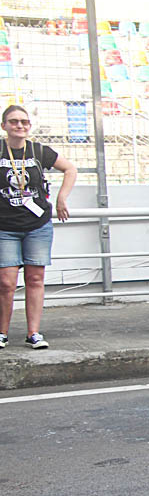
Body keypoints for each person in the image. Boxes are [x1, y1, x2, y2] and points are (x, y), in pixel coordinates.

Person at [0, 105, 76, 350]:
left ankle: (33, 332)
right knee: (6, 282)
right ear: (4, 126)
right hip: (5, 227)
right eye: (13, 122)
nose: (19, 126)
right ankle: (2, 333)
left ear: (29, 126)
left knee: (35, 278)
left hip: (37, 225)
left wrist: (62, 198)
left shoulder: (38, 150)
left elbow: (70, 169)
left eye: (24, 122)